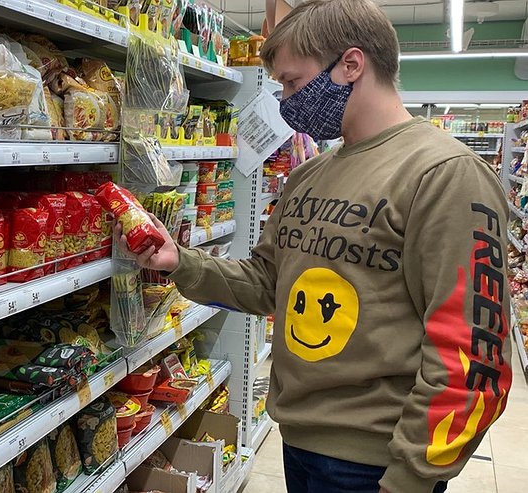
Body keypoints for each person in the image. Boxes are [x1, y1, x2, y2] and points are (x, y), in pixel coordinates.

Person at [115, 0, 513, 492]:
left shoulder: (445, 175)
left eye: (293, 82)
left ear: (351, 65)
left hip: (377, 460)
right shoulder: (309, 176)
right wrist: (180, 261)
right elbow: (267, 284)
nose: (286, 102)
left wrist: (412, 477)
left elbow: (473, 355)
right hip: (299, 441)